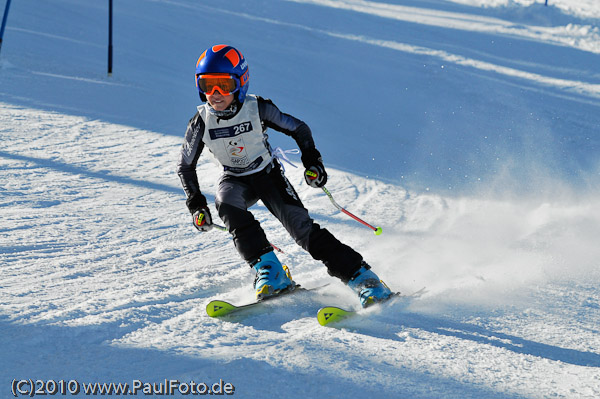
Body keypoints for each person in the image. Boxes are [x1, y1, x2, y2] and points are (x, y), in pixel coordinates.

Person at [176, 44, 393, 307]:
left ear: (240, 82)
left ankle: (363, 278)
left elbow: (299, 129)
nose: (216, 93)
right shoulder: (201, 122)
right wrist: (197, 205)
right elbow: (186, 166)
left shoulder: (258, 108)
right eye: (208, 85)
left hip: (267, 175)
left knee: (302, 231)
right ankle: (271, 271)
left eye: (223, 84)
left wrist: (313, 163)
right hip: (234, 179)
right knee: (226, 203)